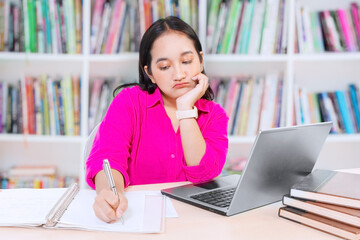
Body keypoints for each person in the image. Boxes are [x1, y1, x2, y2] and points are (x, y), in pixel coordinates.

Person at [86, 16, 229, 223]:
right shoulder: (129, 102)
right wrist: (111, 194)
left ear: (201, 60)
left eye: (187, 61)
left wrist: (185, 108)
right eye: (164, 67)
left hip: (192, 221)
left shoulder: (214, 115)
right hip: (134, 217)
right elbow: (107, 159)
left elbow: (203, 177)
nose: (179, 74)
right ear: (150, 73)